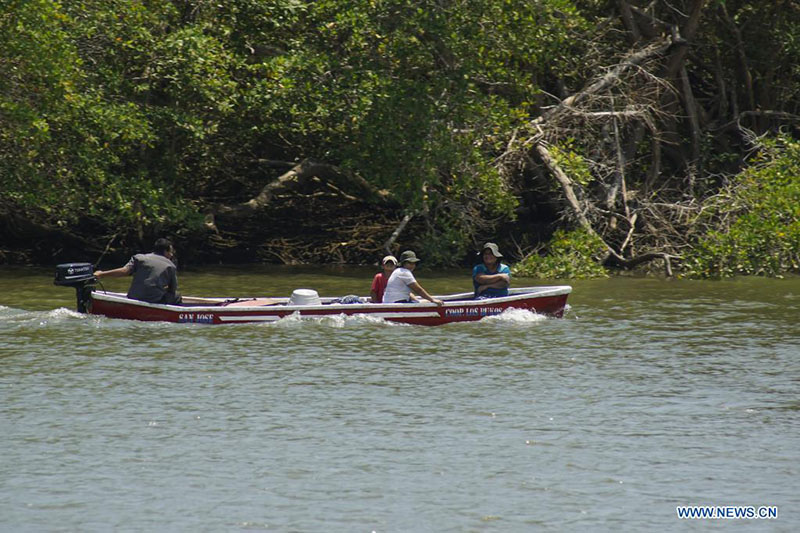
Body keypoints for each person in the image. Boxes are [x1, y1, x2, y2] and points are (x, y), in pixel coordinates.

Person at [94, 238, 182, 304]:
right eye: (171, 252)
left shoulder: (139, 258)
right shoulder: (171, 266)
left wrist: (101, 274)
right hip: (153, 300)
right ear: (165, 251)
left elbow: (124, 271)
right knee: (177, 296)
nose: (171, 255)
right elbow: (173, 290)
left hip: (133, 297)